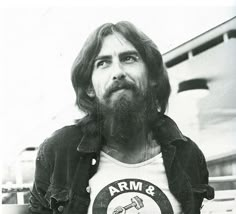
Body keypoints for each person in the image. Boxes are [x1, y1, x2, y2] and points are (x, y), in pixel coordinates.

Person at [29, 21, 214, 214]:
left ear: (152, 77)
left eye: (129, 58)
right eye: (103, 63)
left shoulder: (188, 155)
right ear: (89, 87)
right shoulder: (60, 152)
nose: (117, 72)